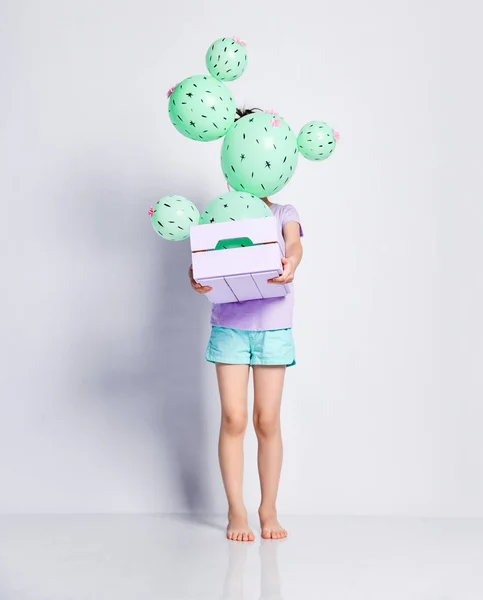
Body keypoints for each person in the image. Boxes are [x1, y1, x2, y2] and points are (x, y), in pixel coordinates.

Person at [188, 108, 303, 542]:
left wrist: (291, 260)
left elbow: (294, 244)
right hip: (230, 326)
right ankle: (236, 511)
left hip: (273, 326)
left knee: (267, 420)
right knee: (234, 418)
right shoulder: (221, 211)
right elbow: (201, 262)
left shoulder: (285, 211)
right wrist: (195, 278)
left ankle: (267, 510)